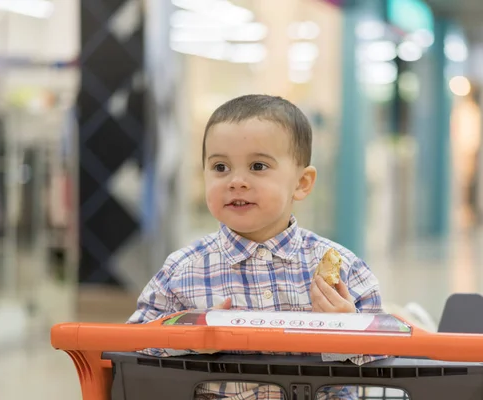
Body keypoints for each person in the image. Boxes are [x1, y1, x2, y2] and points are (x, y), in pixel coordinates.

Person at [127, 94, 382, 399]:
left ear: (302, 183)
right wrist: (186, 337)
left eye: (258, 166)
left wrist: (348, 332)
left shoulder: (345, 269)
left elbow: (386, 359)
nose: (236, 181)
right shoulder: (182, 271)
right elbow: (132, 344)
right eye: (220, 167)